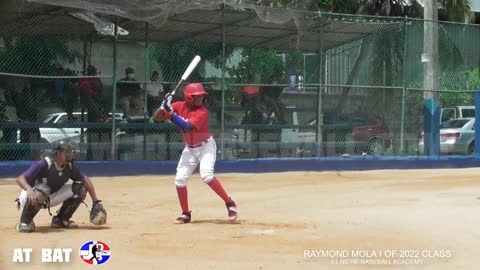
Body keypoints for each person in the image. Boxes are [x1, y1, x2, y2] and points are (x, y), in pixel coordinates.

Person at [153, 83, 238, 224]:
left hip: (206, 147)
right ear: (189, 98)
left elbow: (186, 127)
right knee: (180, 180)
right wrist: (162, 106)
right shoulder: (179, 106)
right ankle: (186, 214)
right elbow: (157, 117)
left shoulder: (202, 112)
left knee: (207, 176)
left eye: (202, 96)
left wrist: (171, 112)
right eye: (197, 96)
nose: (201, 99)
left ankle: (230, 203)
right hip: (190, 148)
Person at [14, 140, 104, 232]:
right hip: (31, 196)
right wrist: (29, 189)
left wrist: (95, 202)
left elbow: (86, 180)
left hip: (49, 196)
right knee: (44, 189)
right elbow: (20, 179)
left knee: (81, 189)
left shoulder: (69, 166)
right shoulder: (45, 164)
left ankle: (60, 220)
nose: (71, 154)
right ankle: (24, 222)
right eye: (67, 152)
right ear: (58, 153)